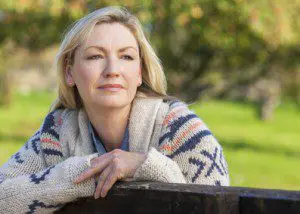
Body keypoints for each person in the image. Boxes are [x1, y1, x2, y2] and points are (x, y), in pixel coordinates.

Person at [0, 6, 229, 213]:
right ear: (69, 73)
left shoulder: (181, 130)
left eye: (126, 56)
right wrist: (79, 174)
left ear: (139, 72)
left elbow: (218, 208)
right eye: (95, 56)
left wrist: (144, 165)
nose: (112, 70)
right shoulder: (58, 133)